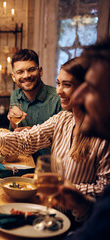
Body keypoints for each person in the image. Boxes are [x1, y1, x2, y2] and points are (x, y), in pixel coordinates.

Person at [0, 57, 110, 198]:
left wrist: (59, 187)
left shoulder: (103, 136)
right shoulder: (62, 119)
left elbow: (105, 190)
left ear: (86, 89)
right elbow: (25, 140)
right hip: (51, 206)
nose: (58, 91)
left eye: (67, 85)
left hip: (81, 220)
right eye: (58, 83)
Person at [55, 39, 110, 240]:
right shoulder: (64, 119)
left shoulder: (104, 141)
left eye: (92, 88)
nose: (78, 97)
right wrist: (82, 204)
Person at [9, 49, 62, 160]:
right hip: (23, 160)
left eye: (31, 70)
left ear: (40, 71)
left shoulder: (58, 98)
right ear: (13, 77)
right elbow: (15, 132)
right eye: (20, 72)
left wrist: (33, 134)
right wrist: (12, 120)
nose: (26, 75)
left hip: (48, 165)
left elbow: (66, 141)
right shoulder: (15, 95)